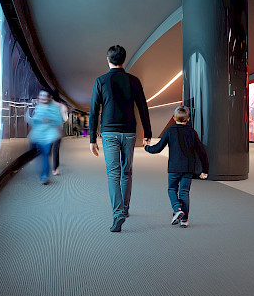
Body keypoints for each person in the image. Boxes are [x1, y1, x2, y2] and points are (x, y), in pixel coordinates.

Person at [89, 45, 152, 232]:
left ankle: (118, 214)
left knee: (113, 174)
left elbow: (94, 111)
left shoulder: (101, 81)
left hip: (109, 133)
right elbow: (143, 107)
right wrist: (148, 133)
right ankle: (125, 208)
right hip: (129, 132)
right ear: (124, 60)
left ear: (108, 59)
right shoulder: (134, 80)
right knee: (127, 171)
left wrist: (92, 139)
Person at [144, 106, 208, 228]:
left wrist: (147, 147)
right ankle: (184, 220)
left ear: (174, 118)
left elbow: (158, 148)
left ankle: (177, 208)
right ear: (188, 119)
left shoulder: (170, 131)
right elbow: (202, 152)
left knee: (172, 189)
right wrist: (205, 170)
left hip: (174, 167)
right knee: (184, 192)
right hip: (188, 168)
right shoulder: (192, 132)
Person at [26, 89, 65, 184]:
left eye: (44, 95)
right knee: (40, 154)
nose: (42, 97)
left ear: (49, 97)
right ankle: (43, 172)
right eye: (41, 95)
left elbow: (59, 121)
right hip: (37, 135)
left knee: (45, 155)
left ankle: (45, 176)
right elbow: (34, 121)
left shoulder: (54, 108)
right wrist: (30, 119)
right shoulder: (38, 107)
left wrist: (49, 120)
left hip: (48, 136)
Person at [50, 91, 69, 176]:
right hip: (57, 131)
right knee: (55, 149)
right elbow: (65, 119)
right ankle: (55, 169)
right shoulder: (62, 106)